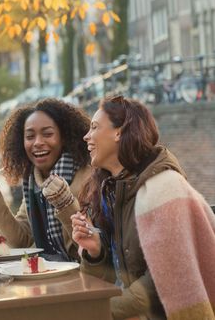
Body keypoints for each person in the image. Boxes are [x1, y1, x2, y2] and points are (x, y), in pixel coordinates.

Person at [71, 95, 215, 320]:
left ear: (118, 132)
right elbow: (105, 278)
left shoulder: (166, 188)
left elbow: (163, 281)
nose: (86, 136)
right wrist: (95, 251)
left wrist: (99, 311)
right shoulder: (108, 190)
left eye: (95, 127)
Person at [0, 98, 91, 261]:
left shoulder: (88, 177)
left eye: (48, 134)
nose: (38, 142)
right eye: (30, 136)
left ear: (65, 137)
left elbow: (92, 245)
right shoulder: (34, 182)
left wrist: (64, 202)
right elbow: (19, 240)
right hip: (53, 275)